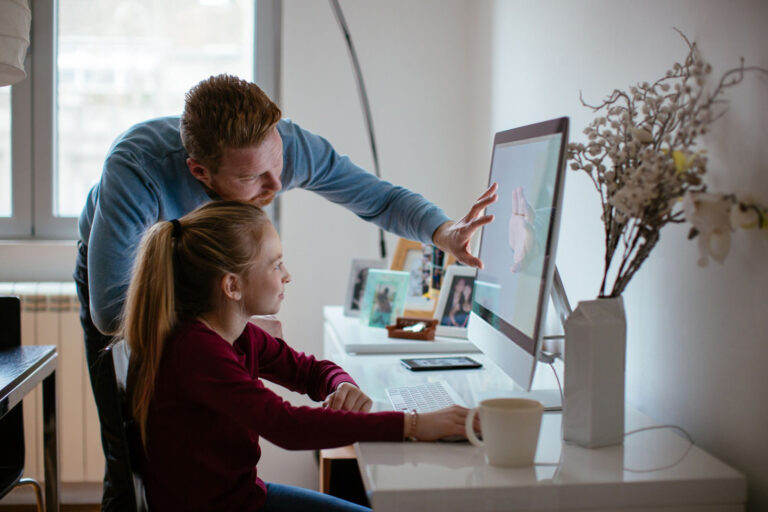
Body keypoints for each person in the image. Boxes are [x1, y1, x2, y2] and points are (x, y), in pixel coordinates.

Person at [74, 73, 497, 509]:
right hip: (119, 282)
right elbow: (111, 311)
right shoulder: (138, 170)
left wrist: (443, 231)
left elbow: (378, 198)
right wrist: (413, 425)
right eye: (254, 177)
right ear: (200, 171)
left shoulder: (282, 149)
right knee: (128, 464)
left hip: (215, 326)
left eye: (278, 166)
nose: (276, 187)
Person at [121, 201, 471, 511]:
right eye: (276, 265)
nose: (287, 275)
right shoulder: (197, 351)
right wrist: (413, 425)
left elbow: (307, 370)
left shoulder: (237, 333)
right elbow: (287, 427)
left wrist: (340, 383)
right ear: (232, 286)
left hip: (244, 497)